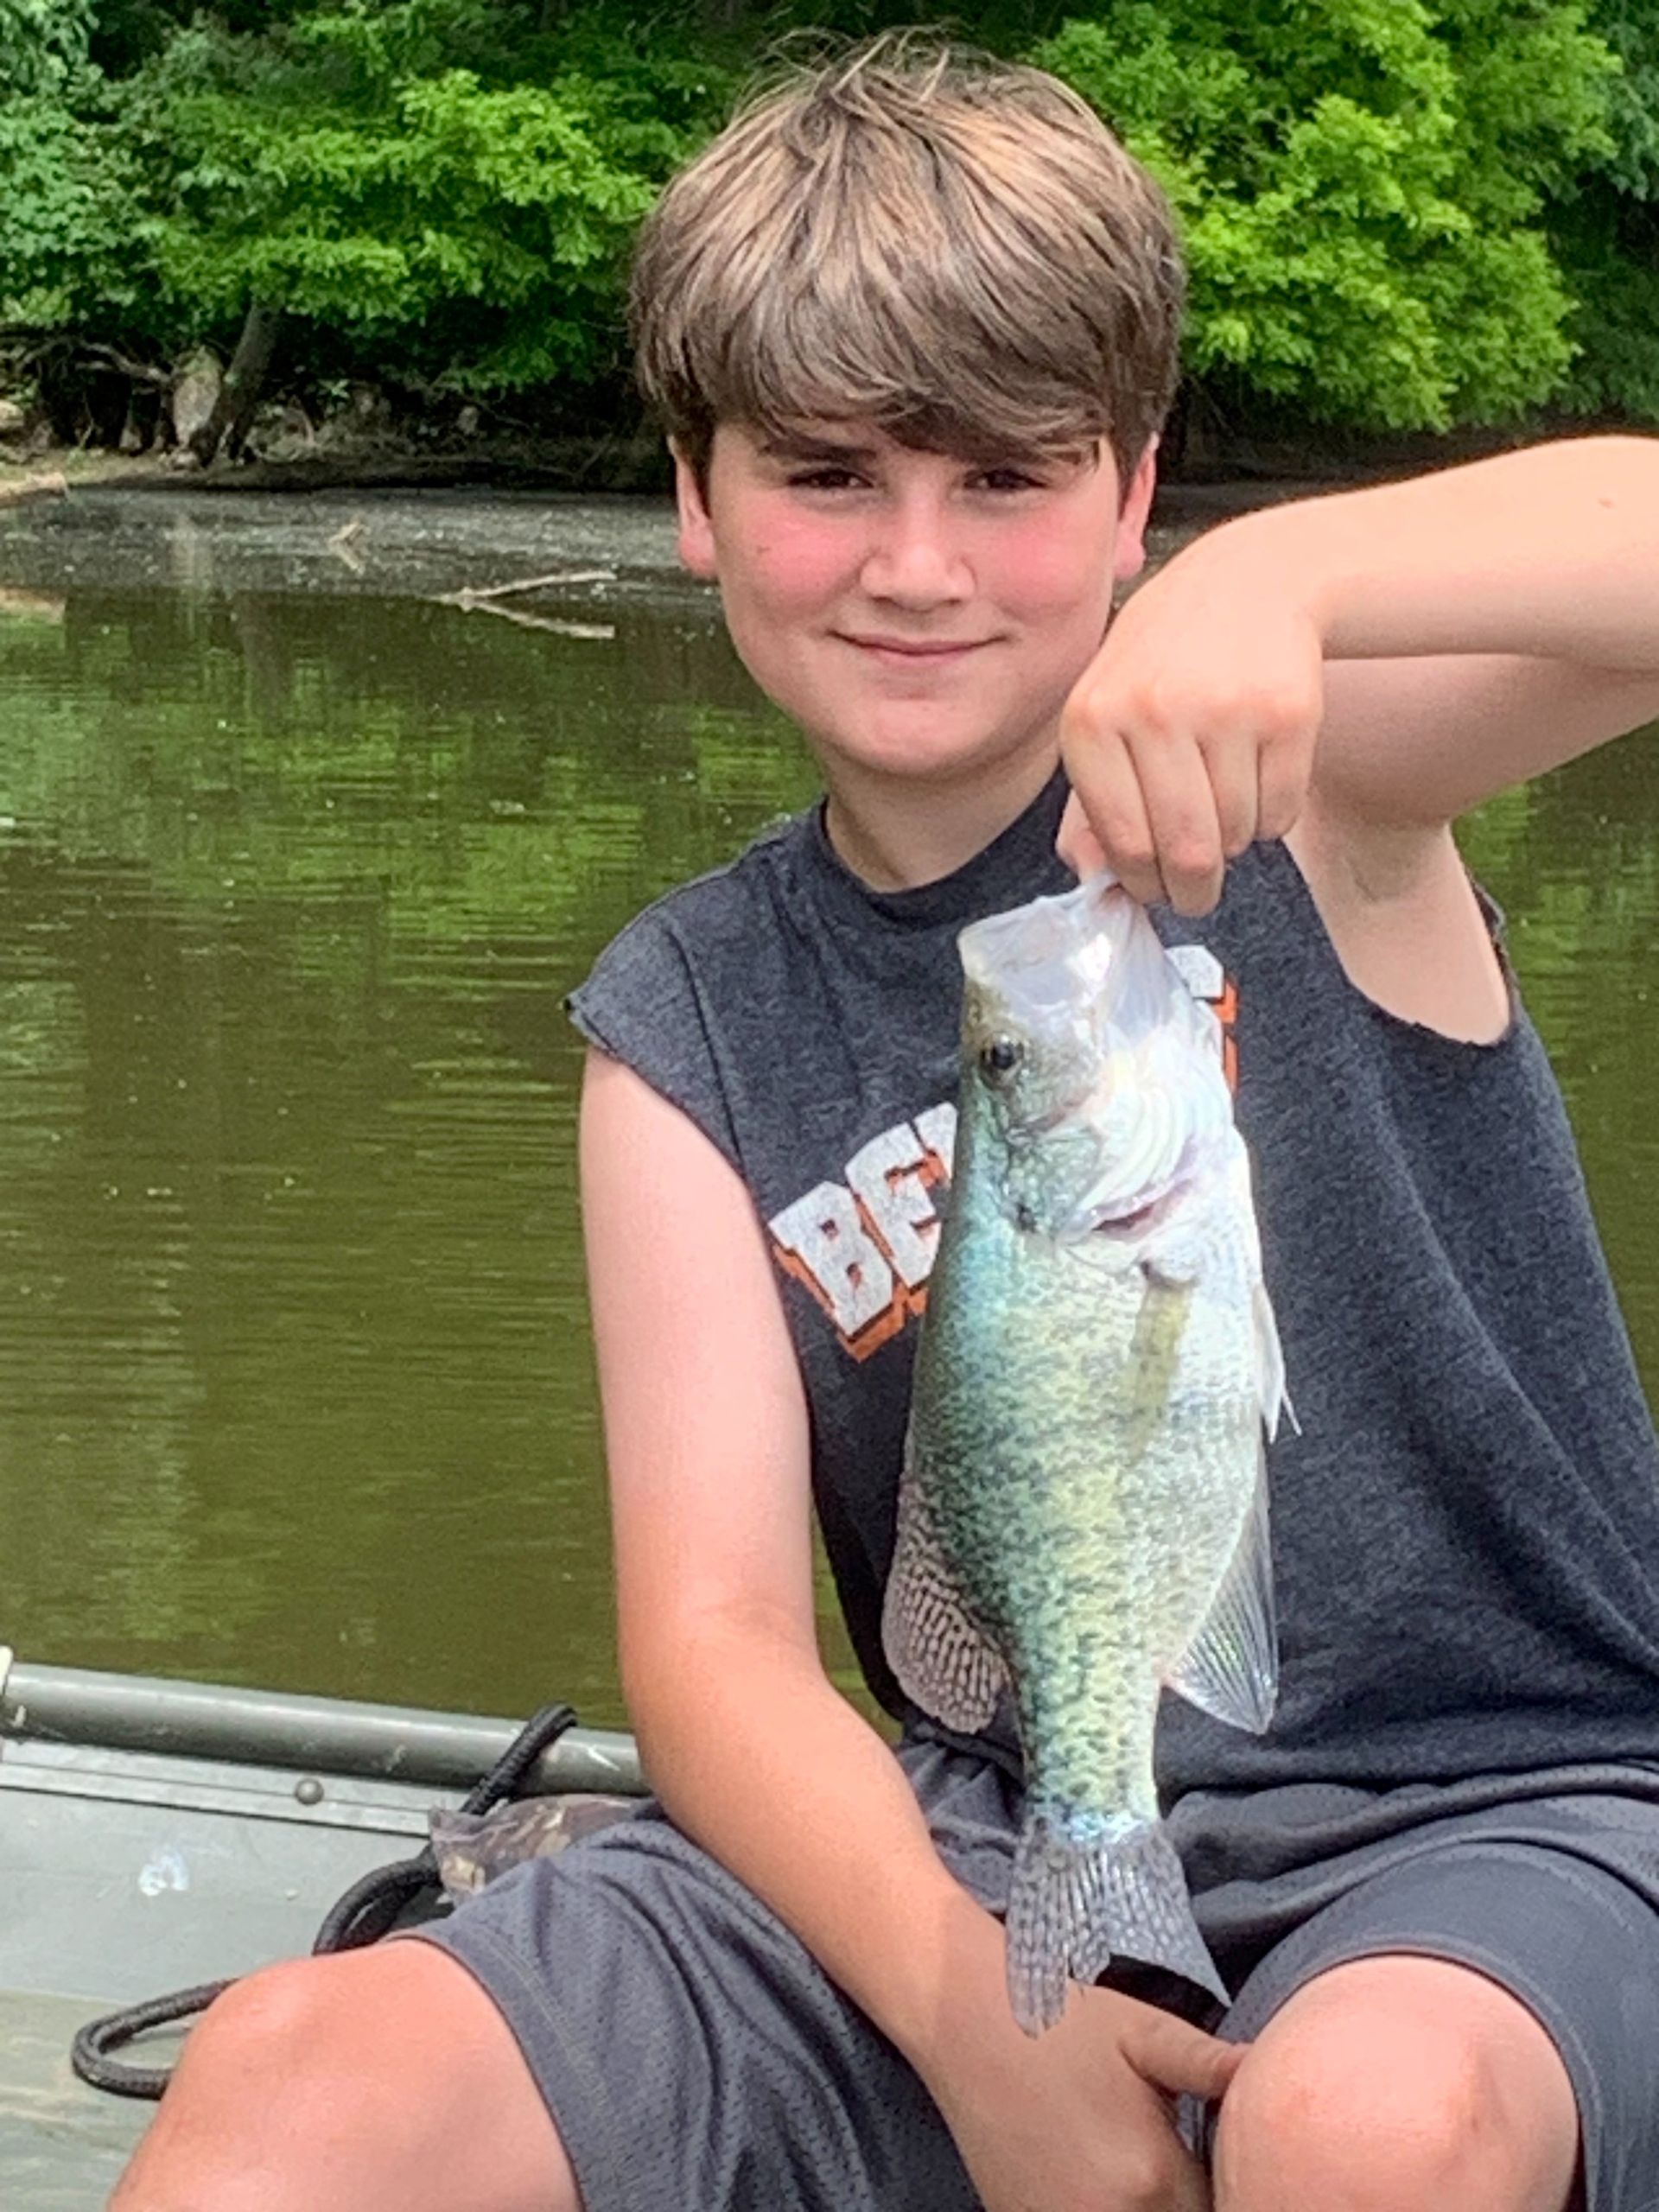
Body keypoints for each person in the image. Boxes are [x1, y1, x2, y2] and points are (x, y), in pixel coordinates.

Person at [111, 35, 1659, 2212]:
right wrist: (963, 2006)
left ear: (1131, 492)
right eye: (827, 473)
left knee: (1359, 2122)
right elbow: (721, 1643)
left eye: (1008, 478)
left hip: (1502, 1810)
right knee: (300, 2079)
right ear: (695, 492)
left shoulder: (1317, 791)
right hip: (1009, 1820)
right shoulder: (685, 1023)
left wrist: (1277, 583)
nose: (914, 561)